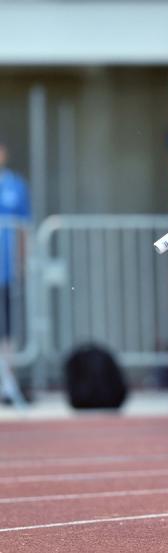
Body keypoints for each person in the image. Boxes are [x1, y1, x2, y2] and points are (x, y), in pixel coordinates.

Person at [0, 140, 31, 406]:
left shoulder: (15, 185)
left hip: (6, 269)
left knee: (7, 330)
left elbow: (24, 227)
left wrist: (23, 261)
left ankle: (7, 385)